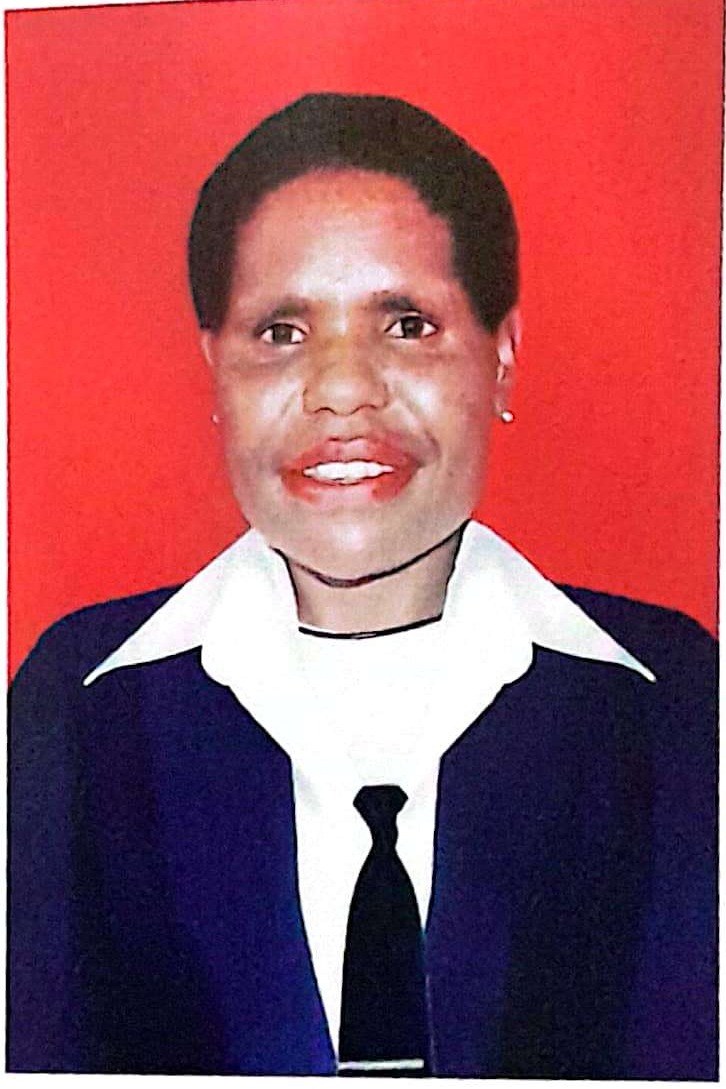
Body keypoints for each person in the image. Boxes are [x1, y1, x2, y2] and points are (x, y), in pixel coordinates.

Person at [8, 93, 716, 1078]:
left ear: (502, 358)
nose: (344, 388)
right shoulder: (77, 710)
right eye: (282, 332)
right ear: (214, 368)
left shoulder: (677, 707)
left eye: (409, 324)